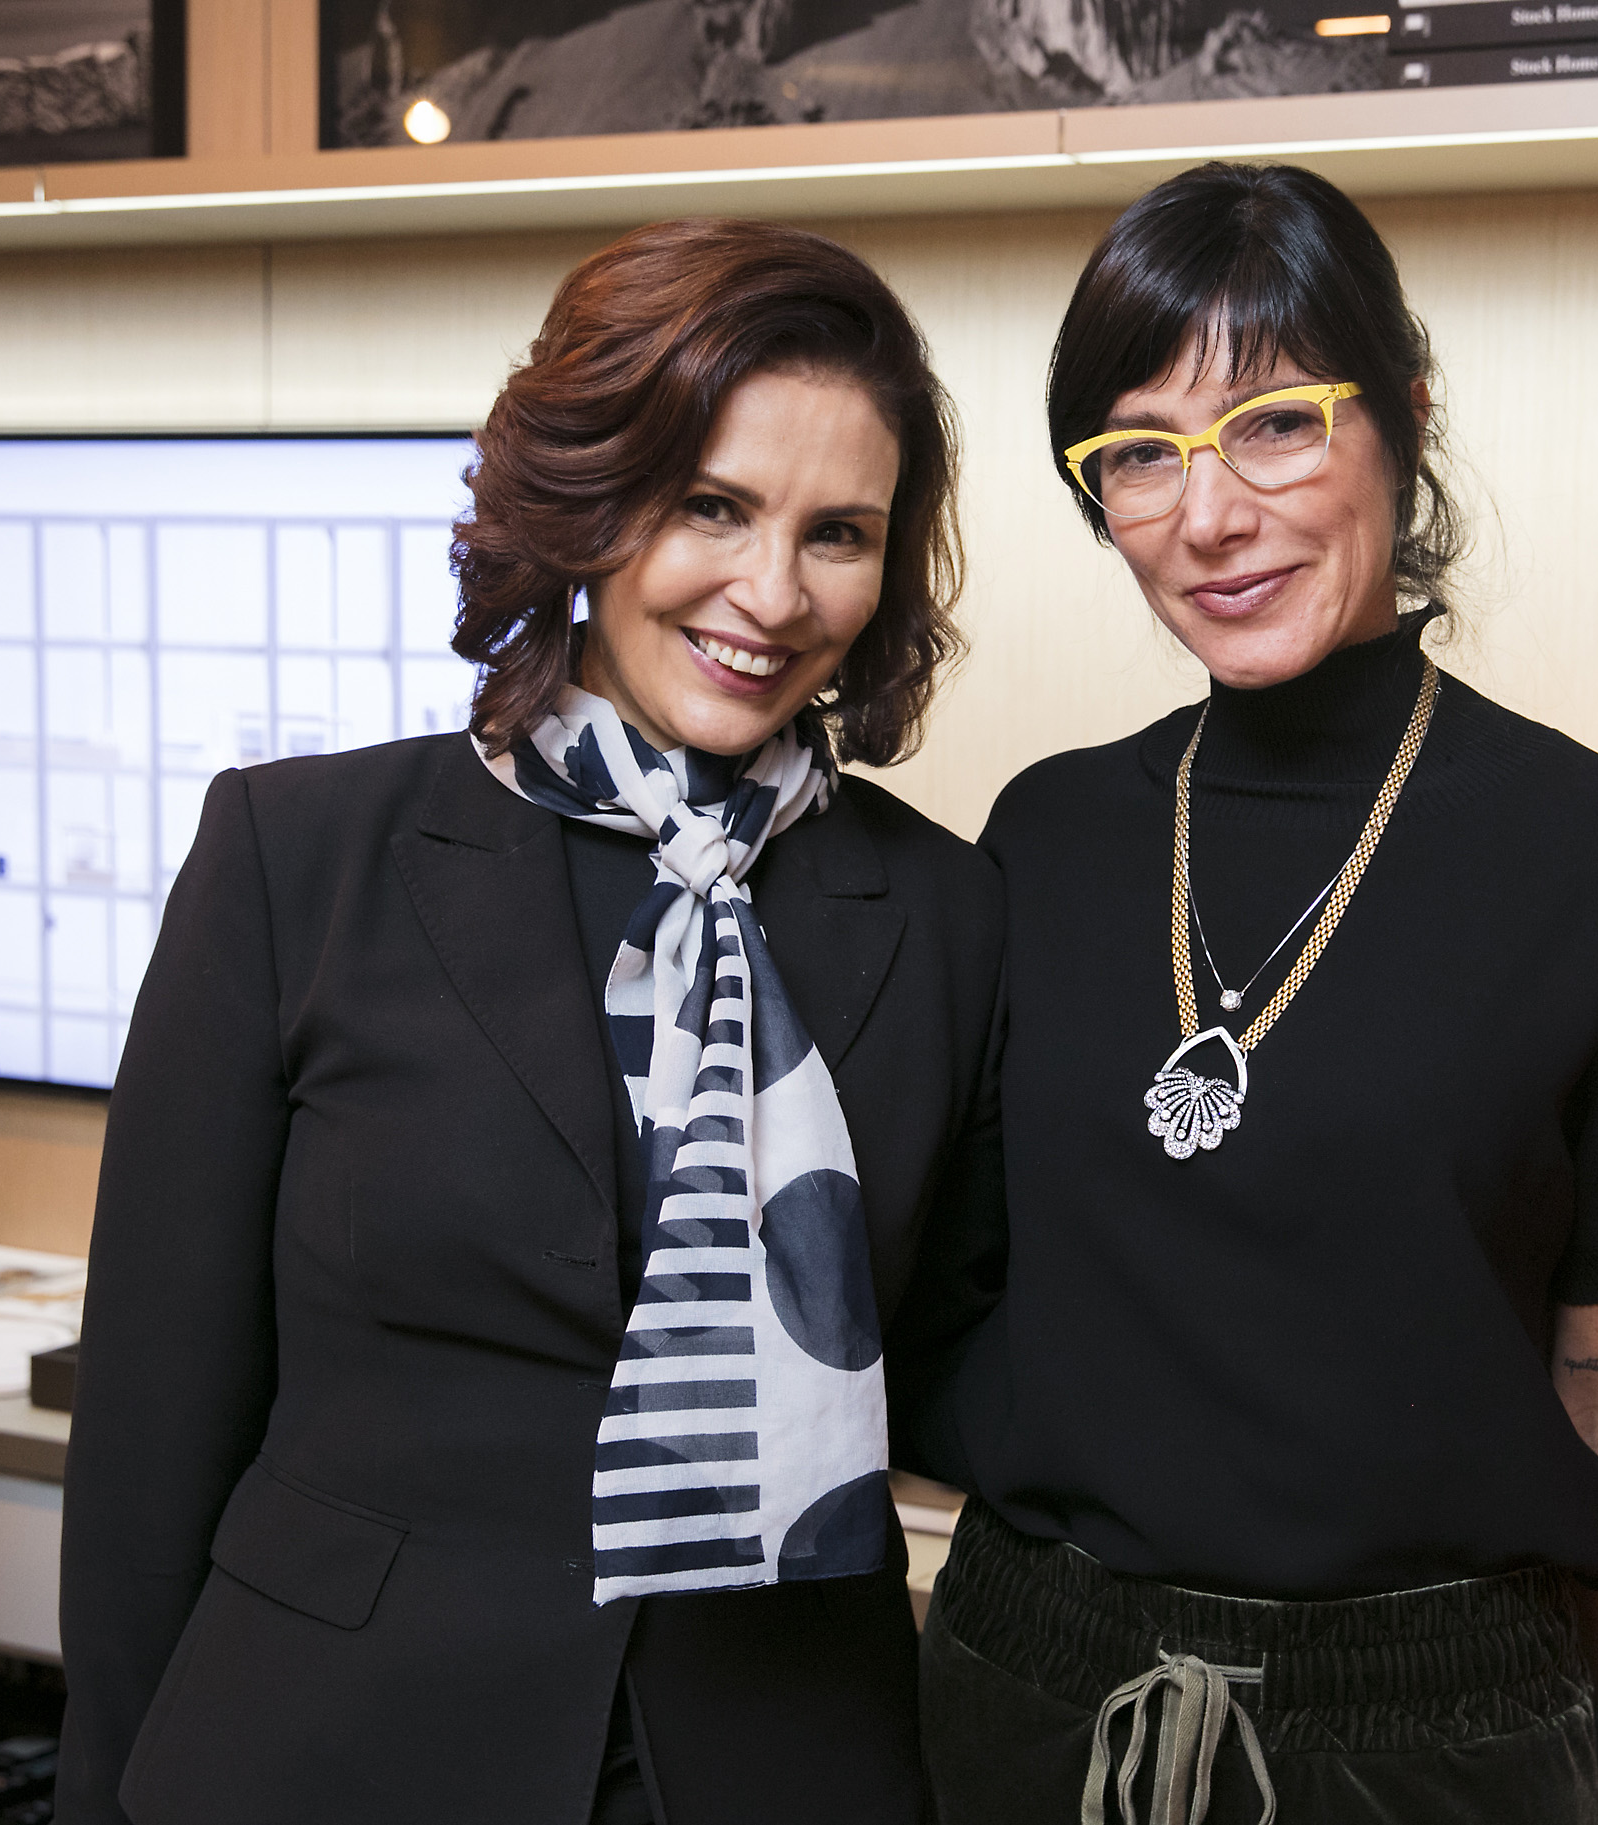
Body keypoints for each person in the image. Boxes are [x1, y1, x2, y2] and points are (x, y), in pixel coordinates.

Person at [56, 218, 1003, 1825]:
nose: (769, 593)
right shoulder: (298, 855)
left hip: (774, 1756)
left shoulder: (945, 910)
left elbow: (978, 1368)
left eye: (836, 531)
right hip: (332, 1749)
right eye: (713, 505)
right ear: (587, 492)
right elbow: (154, 1427)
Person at [900, 161, 1598, 1824]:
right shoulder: (1047, 834)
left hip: (1437, 1730)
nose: (1208, 515)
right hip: (1028, 1685)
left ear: (1401, 417)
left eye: (1274, 422)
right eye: (1138, 454)